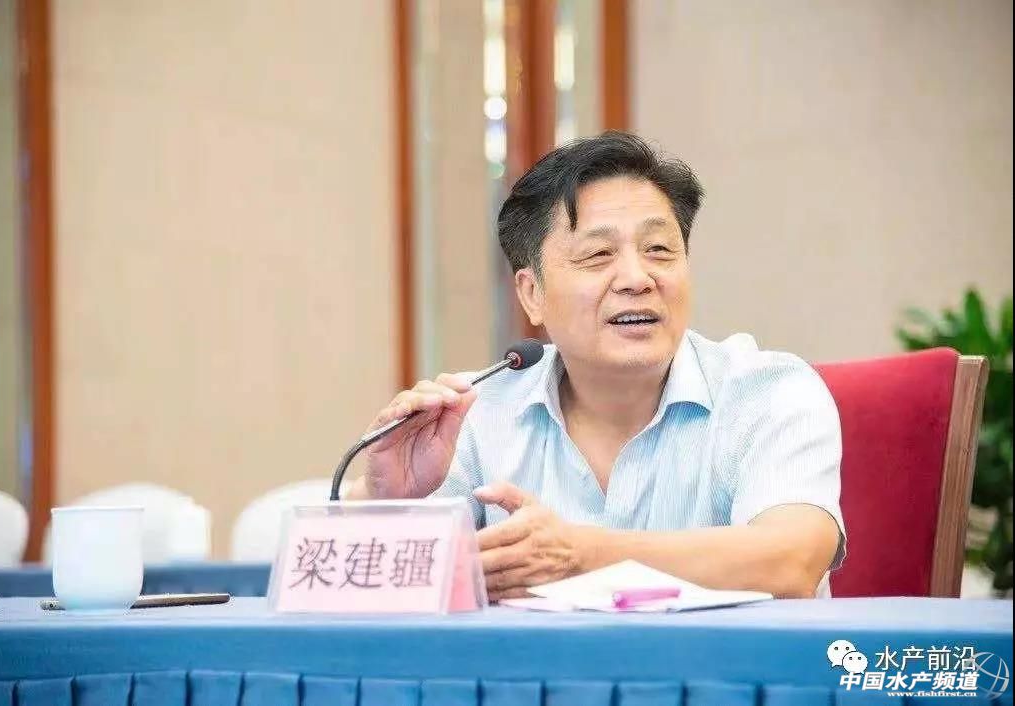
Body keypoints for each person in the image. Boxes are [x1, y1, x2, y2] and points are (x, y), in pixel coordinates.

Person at [345, 131, 845, 600]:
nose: (637, 278)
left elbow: (792, 562)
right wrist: (384, 500)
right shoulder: (472, 414)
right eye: (598, 254)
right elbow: (383, 595)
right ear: (532, 294)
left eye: (659, 250)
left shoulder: (769, 392)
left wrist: (579, 555)